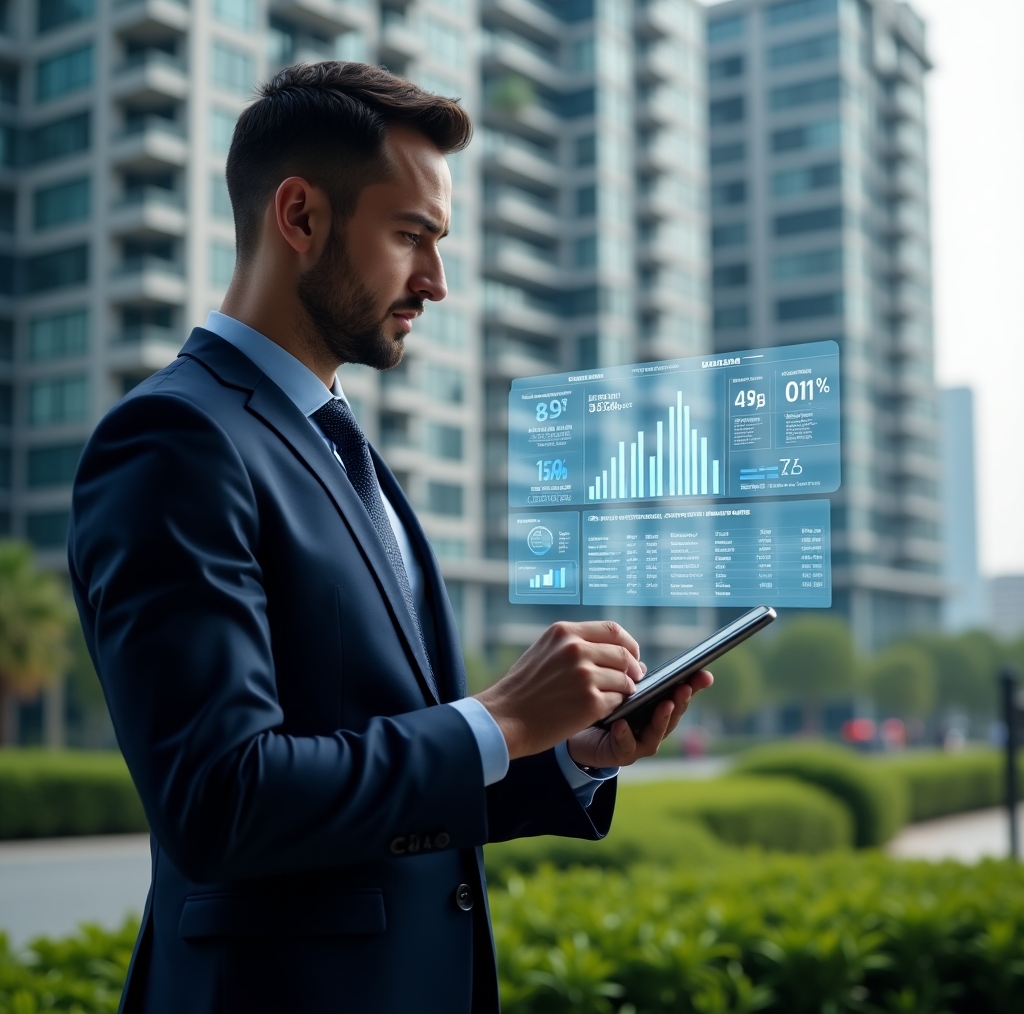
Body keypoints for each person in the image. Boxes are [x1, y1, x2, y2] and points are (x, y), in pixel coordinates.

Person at [68, 62, 712, 1014]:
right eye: (411, 235)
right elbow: (221, 799)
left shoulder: (339, 445)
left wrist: (565, 754)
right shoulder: (173, 440)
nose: (437, 282)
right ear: (300, 217)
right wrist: (497, 720)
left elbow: (388, 792)